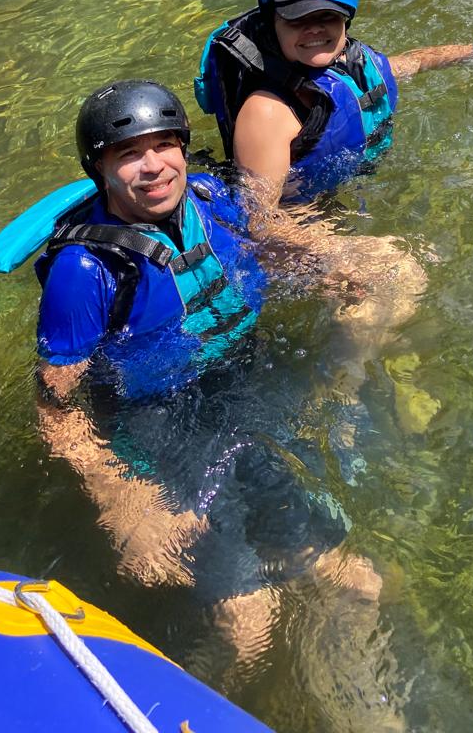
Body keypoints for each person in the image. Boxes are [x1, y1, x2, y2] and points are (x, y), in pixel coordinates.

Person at [34, 77, 381, 612]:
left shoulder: (208, 197)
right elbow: (53, 401)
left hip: (241, 371)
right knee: (247, 615)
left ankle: (315, 573)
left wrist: (324, 267)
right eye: (129, 154)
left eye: (164, 145)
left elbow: (263, 241)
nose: (154, 166)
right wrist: (118, 498)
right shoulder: (84, 272)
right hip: (155, 416)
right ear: (98, 169)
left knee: (350, 571)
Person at [196, 0, 473, 205]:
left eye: (327, 17)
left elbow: (416, 62)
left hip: (345, 189)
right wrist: (357, 254)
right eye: (296, 18)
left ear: (346, 19)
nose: (314, 29)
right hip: (301, 219)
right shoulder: (267, 112)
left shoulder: (352, 64)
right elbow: (261, 223)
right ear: (272, 20)